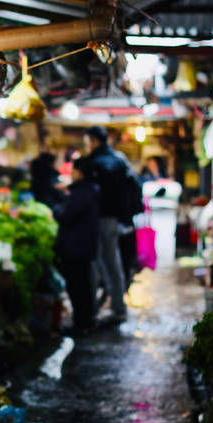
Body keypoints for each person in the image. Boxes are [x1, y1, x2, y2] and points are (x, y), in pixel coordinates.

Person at [77, 125, 128, 321]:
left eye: (87, 142)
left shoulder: (94, 163)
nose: (87, 146)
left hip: (96, 218)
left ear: (95, 141)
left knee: (93, 262)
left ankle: (91, 310)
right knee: (112, 261)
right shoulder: (118, 160)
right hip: (114, 218)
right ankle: (118, 306)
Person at [52, 164, 100, 333]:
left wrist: (56, 210)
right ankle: (86, 321)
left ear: (80, 172)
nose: (71, 174)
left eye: (73, 171)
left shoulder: (82, 193)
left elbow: (67, 215)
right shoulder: (88, 190)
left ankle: (81, 323)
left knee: (78, 286)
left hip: (76, 246)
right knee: (83, 286)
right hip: (83, 245)